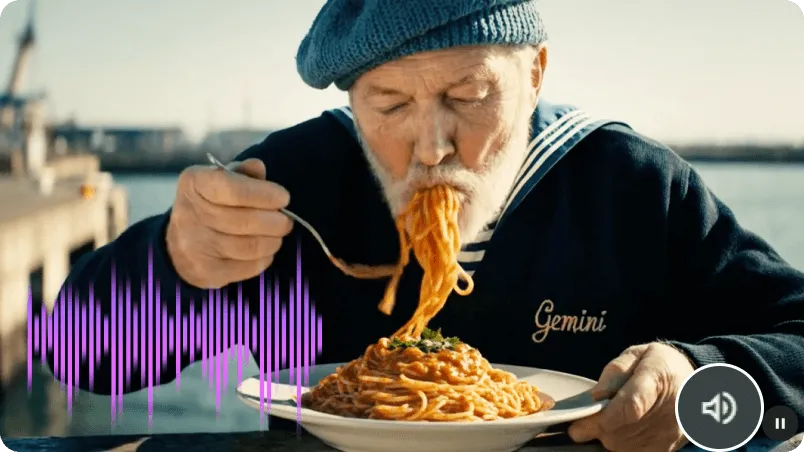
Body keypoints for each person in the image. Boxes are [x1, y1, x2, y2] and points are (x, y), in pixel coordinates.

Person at [45, 1, 804, 451]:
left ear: (536, 71)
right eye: (390, 107)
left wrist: (702, 388)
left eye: (469, 94)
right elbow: (76, 355)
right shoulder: (296, 185)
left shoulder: (629, 186)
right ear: (352, 101)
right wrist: (177, 262)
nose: (431, 147)